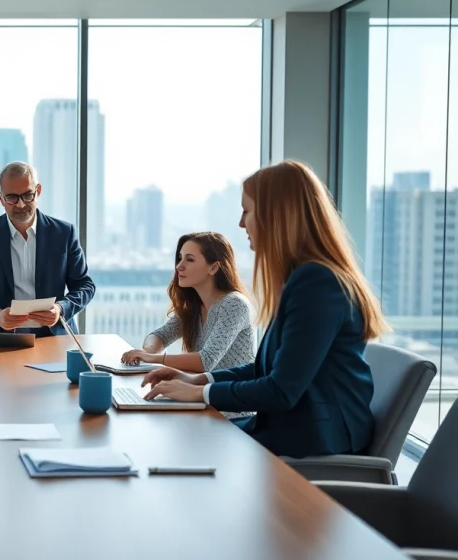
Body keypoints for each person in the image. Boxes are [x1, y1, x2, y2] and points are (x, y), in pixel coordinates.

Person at [141, 160, 389, 458]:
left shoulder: (317, 283)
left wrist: (199, 393)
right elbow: (266, 369)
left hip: (314, 441)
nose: (241, 223)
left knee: (184, 446)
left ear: (277, 216)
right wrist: (198, 380)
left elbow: (281, 390)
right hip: (292, 431)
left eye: (247, 211)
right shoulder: (303, 278)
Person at [0, 161, 95, 336]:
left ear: (38, 191)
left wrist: (61, 309)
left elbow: (85, 285)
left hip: (53, 338)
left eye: (28, 195)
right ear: (1, 198)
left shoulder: (64, 233)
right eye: (12, 198)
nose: (21, 204)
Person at [121, 232, 255, 373]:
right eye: (180, 258)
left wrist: (152, 358)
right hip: (201, 391)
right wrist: (147, 352)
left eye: (189, 260)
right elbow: (160, 335)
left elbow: (206, 361)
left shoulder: (234, 304)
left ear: (214, 268)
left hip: (233, 393)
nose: (179, 266)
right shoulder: (194, 306)